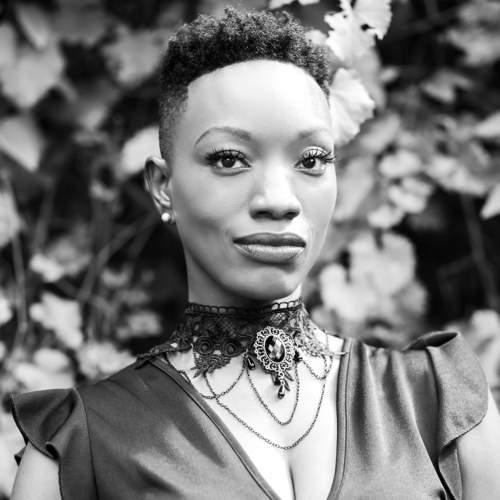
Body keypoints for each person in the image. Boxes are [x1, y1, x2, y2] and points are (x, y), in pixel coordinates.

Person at [8, 6, 500, 500]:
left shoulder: (441, 404)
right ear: (162, 186)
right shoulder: (79, 447)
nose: (279, 200)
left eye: (311, 160)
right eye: (229, 159)